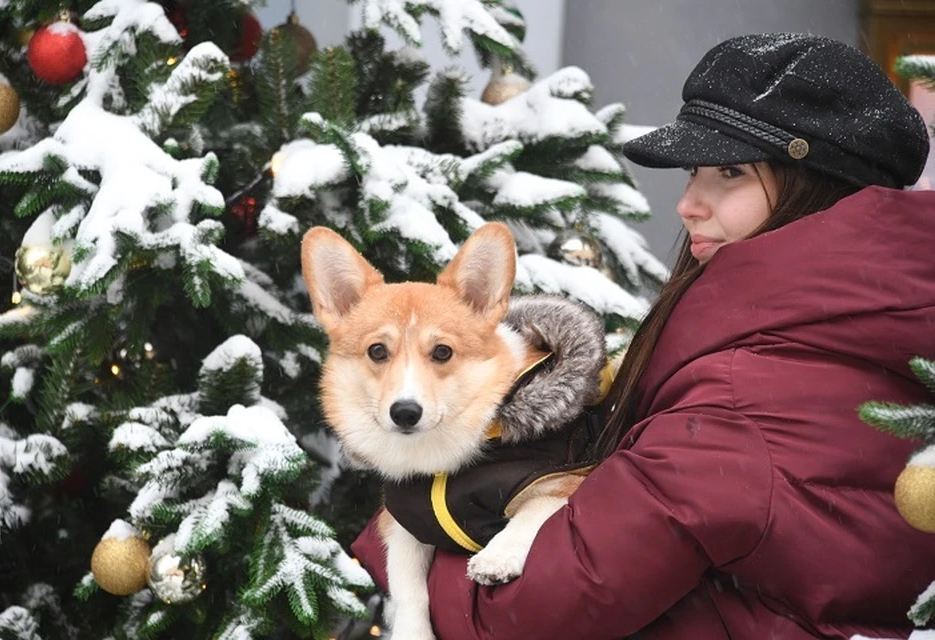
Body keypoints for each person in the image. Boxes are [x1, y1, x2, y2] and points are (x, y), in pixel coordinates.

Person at [350, 32, 935, 639]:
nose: (688, 204)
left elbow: (534, 612)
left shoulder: (744, 396)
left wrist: (408, 533)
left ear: (817, 185)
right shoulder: (860, 328)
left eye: (729, 172)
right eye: (693, 172)